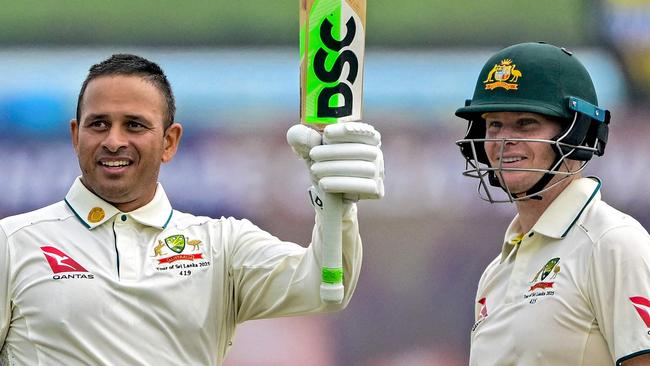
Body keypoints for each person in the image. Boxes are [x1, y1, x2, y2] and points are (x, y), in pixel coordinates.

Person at [0, 54, 384, 365]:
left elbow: (326, 287)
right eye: (99, 124)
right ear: (75, 135)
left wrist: (335, 204)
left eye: (134, 126)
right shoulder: (13, 242)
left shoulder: (221, 245)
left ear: (170, 142)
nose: (114, 140)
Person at [455, 42, 650, 365]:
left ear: (577, 134)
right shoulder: (496, 272)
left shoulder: (612, 243)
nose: (504, 140)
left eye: (525, 123)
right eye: (494, 124)